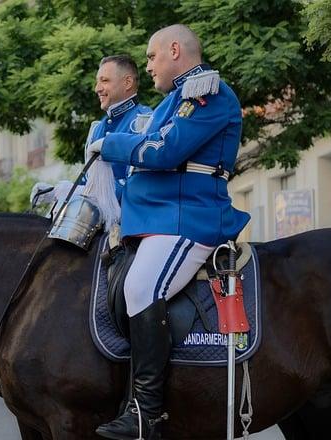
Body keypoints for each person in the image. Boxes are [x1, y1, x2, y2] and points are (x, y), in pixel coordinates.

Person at [89, 25, 250, 439]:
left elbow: (164, 151)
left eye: (151, 57)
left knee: (142, 287)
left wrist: (107, 145)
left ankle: (146, 412)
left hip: (187, 219)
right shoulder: (170, 103)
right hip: (159, 220)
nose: (148, 66)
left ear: (174, 50)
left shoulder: (205, 93)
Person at [31, 54, 152, 209]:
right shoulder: (98, 128)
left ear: (127, 82)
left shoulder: (143, 122)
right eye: (97, 82)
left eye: (105, 81)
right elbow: (87, 181)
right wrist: (56, 192)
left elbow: (137, 187)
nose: (97, 88)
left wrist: (83, 192)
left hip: (127, 225)